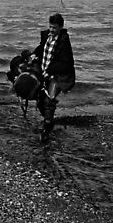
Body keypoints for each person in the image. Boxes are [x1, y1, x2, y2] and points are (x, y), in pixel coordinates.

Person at [32, 13, 76, 143]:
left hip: (57, 76)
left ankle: (46, 129)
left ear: (61, 27)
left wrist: (50, 70)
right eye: (50, 27)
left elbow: (67, 62)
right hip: (44, 72)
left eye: (55, 28)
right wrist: (34, 54)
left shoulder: (64, 41)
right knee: (40, 100)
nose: (52, 30)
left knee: (49, 100)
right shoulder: (46, 36)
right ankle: (49, 121)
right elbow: (41, 49)